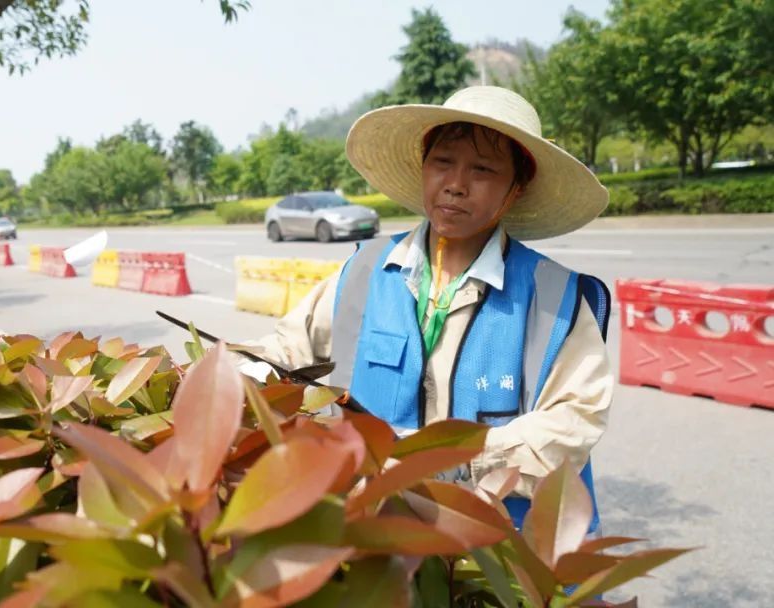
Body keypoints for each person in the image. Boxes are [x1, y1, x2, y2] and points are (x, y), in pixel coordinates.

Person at [243, 86, 613, 531]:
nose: (456, 184)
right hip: (368, 537)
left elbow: (573, 423)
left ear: (516, 189)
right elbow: (285, 353)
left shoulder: (556, 298)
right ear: (423, 167)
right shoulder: (360, 272)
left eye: (482, 169)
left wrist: (447, 461)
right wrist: (229, 376)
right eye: (442, 162)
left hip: (495, 556)